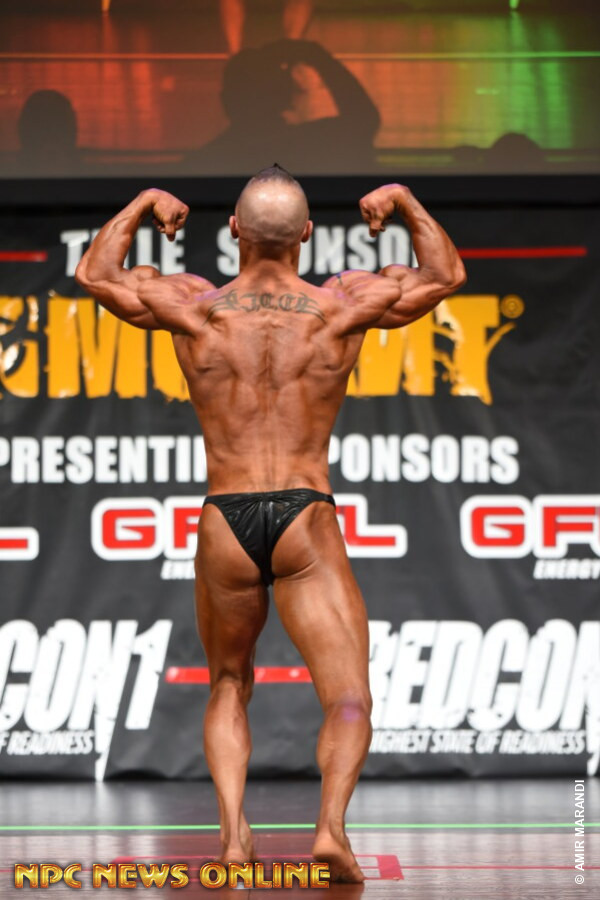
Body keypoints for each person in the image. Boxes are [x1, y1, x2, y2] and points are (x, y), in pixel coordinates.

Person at [75, 166, 466, 882]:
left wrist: (142, 202)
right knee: (347, 696)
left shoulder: (195, 306)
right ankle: (331, 830)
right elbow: (444, 275)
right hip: (304, 515)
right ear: (307, 234)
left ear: (234, 231)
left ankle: (232, 837)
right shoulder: (341, 305)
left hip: (224, 516)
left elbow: (97, 274)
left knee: (228, 682)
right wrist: (406, 202)